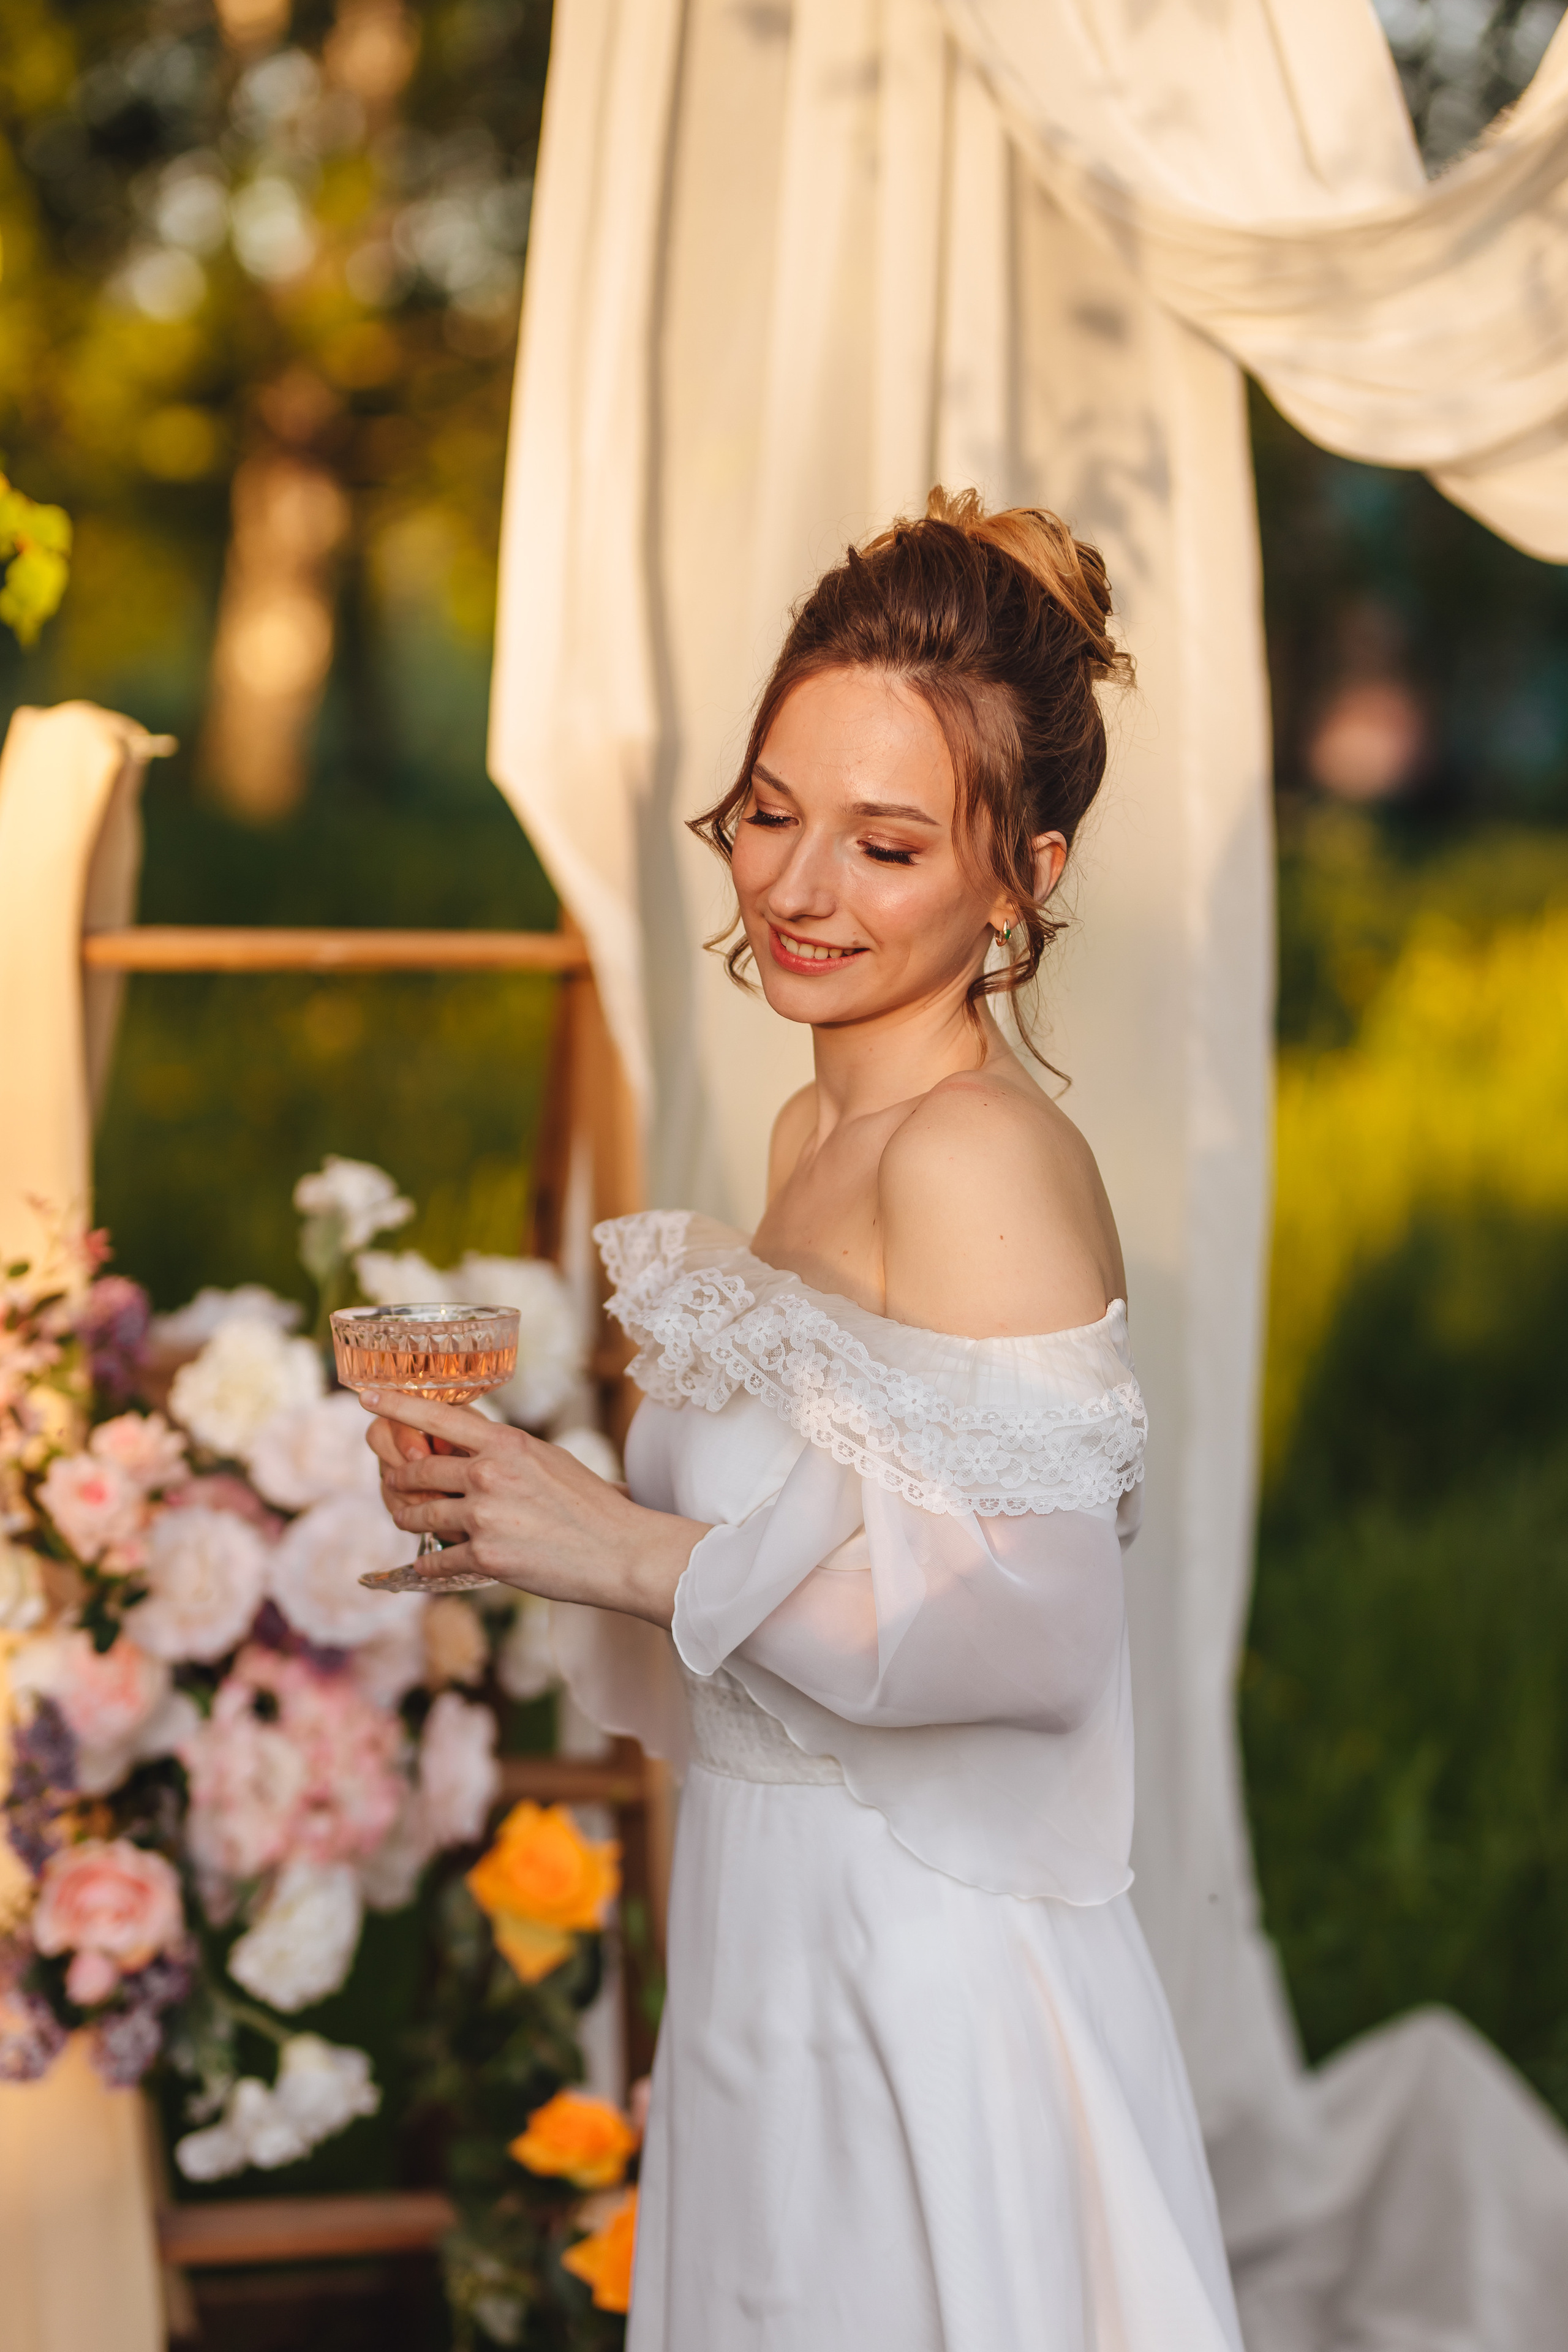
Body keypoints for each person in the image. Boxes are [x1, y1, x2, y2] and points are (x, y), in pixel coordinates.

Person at [361, 489, 1244, 2351]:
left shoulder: (976, 1155)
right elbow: (822, 1546)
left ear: (1023, 877)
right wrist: (526, 1504)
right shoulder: (809, 1130)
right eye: (771, 813)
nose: (797, 888)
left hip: (914, 1980)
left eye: (888, 843)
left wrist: (627, 1550)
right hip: (765, 1951)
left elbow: (1035, 1636)